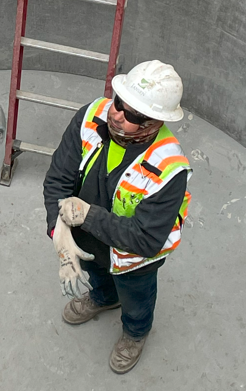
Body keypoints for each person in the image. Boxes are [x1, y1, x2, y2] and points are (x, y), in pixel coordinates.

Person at [43, 60, 192, 374]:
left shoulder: (168, 168)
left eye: (133, 115)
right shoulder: (91, 117)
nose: (117, 114)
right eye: (118, 102)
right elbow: (58, 179)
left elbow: (146, 239)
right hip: (86, 236)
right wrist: (60, 235)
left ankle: (136, 332)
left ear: (153, 123)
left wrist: (87, 215)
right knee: (96, 270)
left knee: (136, 295)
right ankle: (104, 297)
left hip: (133, 258)